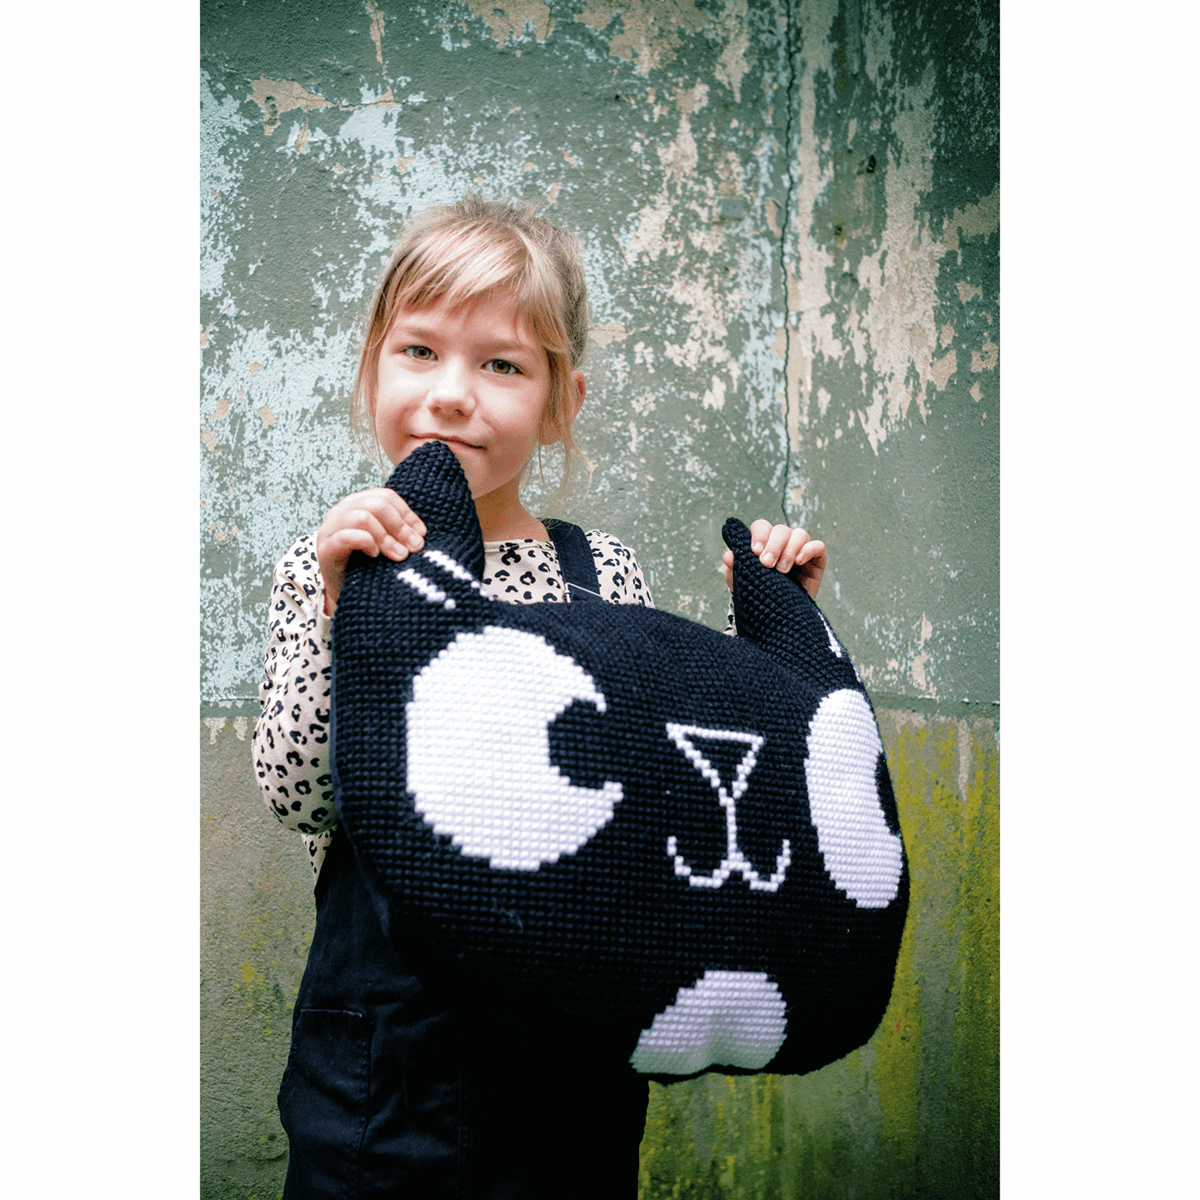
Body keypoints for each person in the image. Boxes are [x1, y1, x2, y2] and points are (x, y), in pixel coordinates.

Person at [252, 195, 826, 1198]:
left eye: (503, 365)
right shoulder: (330, 562)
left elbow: (666, 801)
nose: (451, 395)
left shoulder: (600, 574)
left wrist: (774, 639)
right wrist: (346, 608)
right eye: (419, 351)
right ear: (373, 371)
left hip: (570, 1068)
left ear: (562, 403)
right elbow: (301, 795)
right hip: (381, 1070)